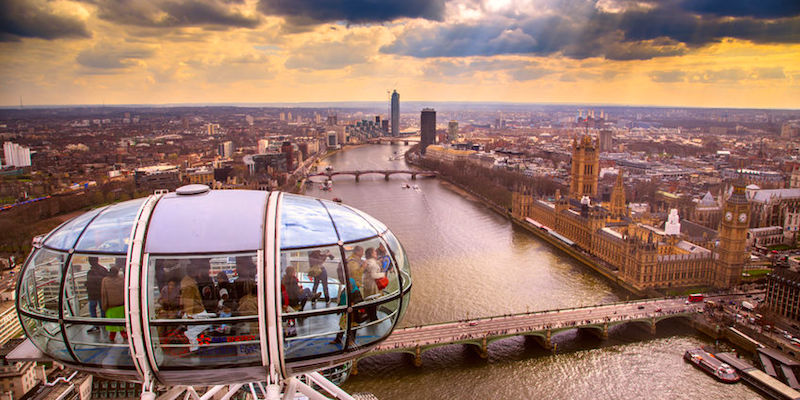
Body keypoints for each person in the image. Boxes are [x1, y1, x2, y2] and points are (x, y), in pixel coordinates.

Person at [101, 267, 127, 342]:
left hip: (111, 307)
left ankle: (112, 337)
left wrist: (104, 306)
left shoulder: (105, 280)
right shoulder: (122, 280)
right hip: (122, 306)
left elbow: (104, 294)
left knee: (112, 324)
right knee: (122, 323)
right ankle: (124, 335)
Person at [86, 257, 109, 332]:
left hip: (92, 294)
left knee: (92, 309)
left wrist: (86, 284)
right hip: (101, 293)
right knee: (102, 309)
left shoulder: (90, 271)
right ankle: (104, 323)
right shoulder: (103, 270)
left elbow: (90, 283)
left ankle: (96, 325)